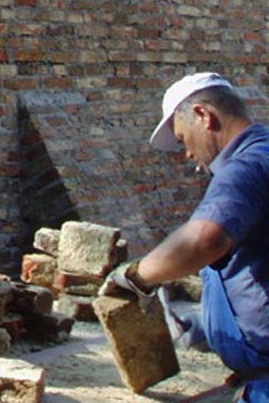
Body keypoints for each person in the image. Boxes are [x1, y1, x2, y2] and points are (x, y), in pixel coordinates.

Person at [102, 71, 269, 398]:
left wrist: (136, 276)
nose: (188, 157)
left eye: (183, 141)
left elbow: (204, 240)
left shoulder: (247, 165)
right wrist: (210, 331)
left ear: (203, 116)